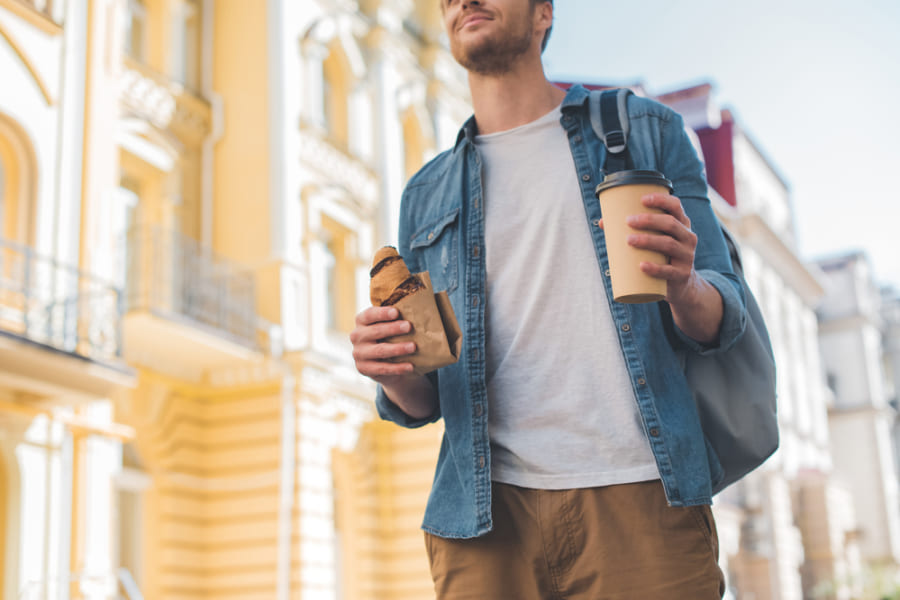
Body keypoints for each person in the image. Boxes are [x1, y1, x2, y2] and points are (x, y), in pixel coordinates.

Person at [350, 0, 747, 597]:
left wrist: (684, 286)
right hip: (484, 526)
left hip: (642, 499)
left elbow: (724, 314)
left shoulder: (645, 131)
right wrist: (389, 370)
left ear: (543, 13)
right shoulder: (425, 194)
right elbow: (427, 397)